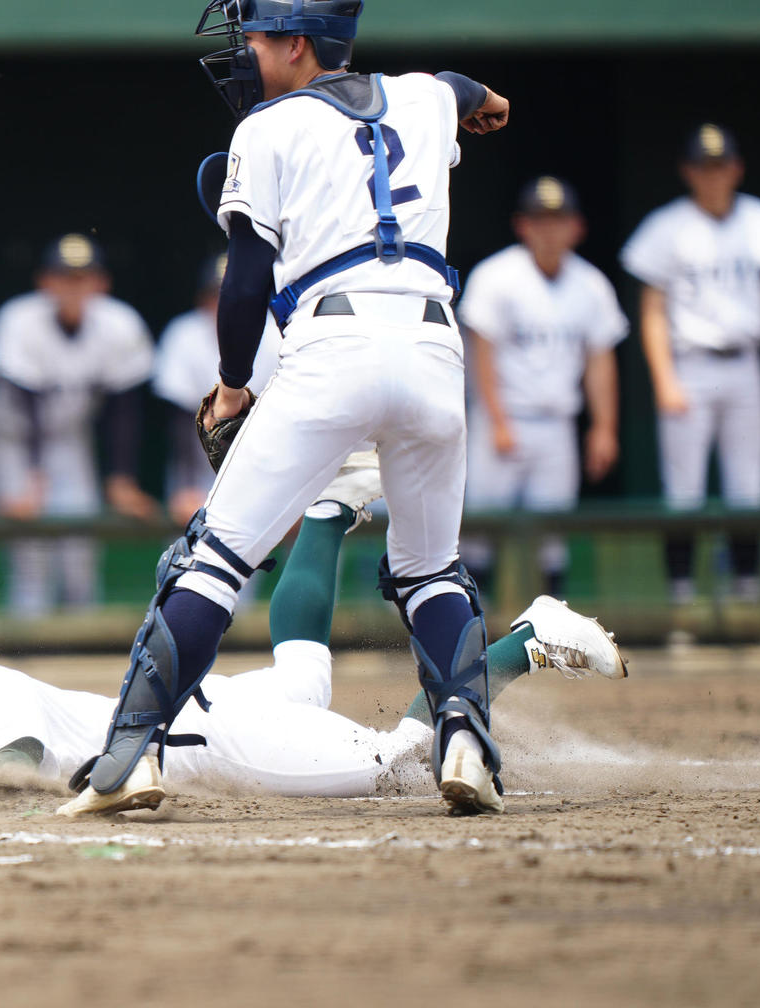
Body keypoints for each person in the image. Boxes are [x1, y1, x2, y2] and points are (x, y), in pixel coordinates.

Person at [0, 453, 627, 811]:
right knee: (305, 673)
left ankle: (522, 641)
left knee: (400, 767)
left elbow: (13, 774)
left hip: (217, 741)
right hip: (195, 714)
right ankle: (325, 512)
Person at [65, 0, 513, 816]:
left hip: (331, 346)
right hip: (432, 348)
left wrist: (234, 383)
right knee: (429, 570)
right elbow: (458, 86)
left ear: (299, 43)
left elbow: (243, 284)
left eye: (259, 37)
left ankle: (131, 754)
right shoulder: (422, 93)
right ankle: (465, 740)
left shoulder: (267, 127)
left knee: (210, 562)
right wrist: (487, 102)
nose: (246, 52)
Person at [621, 124, 760, 614]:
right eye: (704, 167)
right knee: (684, 491)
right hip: (690, 365)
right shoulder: (667, 225)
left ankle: (747, 597)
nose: (713, 175)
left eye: (721, 166)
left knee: (748, 488)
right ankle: (681, 602)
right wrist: (664, 379)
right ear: (688, 172)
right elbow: (652, 310)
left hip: (745, 364)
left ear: (736, 168)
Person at [459, 177, 628, 598]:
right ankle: (476, 623)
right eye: (541, 220)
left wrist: (604, 428)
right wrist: (498, 421)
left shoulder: (591, 284)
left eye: (558, 220)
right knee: (480, 533)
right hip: (502, 418)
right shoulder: (496, 275)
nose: (549, 230)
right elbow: (481, 355)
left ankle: (549, 628)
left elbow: (600, 361)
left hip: (557, 423)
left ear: (577, 227)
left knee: (553, 538)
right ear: (523, 225)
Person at [0, 233, 158, 617]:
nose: (74, 287)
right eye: (64, 277)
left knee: (81, 549)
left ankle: (81, 642)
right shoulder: (18, 319)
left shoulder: (119, 323)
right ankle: (28, 644)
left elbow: (124, 408)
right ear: (44, 281)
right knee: (30, 555)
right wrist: (32, 481)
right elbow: (27, 403)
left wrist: (122, 479)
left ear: (102, 282)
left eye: (84, 277)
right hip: (15, 442)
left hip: (70, 439)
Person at [153, 254, 279, 525]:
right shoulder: (185, 335)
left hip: (267, 463)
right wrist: (186, 486)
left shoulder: (277, 334)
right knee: (195, 545)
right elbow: (180, 420)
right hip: (199, 464)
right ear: (203, 299)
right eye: (218, 295)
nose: (228, 304)